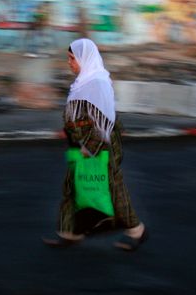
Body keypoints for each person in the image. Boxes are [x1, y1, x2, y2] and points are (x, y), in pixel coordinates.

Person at [43, 38, 148, 251]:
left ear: (85, 58)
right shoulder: (83, 81)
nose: (69, 63)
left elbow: (103, 122)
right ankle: (69, 232)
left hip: (100, 146)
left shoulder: (97, 83)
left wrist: (89, 147)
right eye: (69, 58)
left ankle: (137, 230)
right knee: (72, 186)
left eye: (72, 58)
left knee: (111, 187)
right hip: (81, 144)